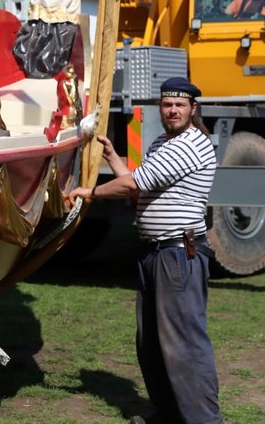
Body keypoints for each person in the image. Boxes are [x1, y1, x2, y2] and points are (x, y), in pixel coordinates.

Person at [66, 77, 222, 424]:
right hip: (155, 253)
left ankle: (203, 420)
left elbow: (133, 184)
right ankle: (168, 414)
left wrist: (88, 193)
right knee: (151, 343)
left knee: (184, 345)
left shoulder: (190, 144)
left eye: (180, 105)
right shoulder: (161, 143)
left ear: (193, 109)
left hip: (178, 254)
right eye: (167, 104)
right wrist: (112, 157)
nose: (172, 110)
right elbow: (140, 189)